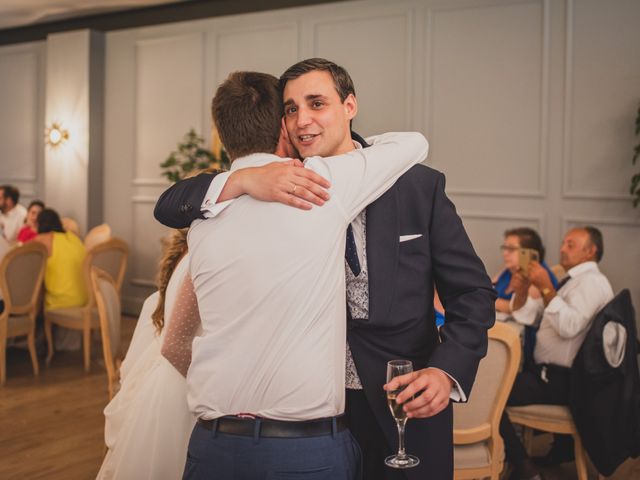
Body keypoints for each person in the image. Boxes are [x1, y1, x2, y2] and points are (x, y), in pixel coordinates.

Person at [155, 58, 495, 480]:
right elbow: (173, 202)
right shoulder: (270, 183)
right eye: (292, 109)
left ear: (350, 105)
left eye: (317, 103)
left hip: (400, 404)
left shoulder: (417, 186)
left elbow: (473, 294)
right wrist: (242, 180)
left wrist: (446, 371)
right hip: (315, 421)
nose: (303, 120)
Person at [500, 226, 614, 480]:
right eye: (563, 243)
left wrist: (545, 288)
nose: (562, 248)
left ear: (590, 251)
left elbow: (569, 326)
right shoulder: (575, 280)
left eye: (571, 244)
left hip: (564, 380)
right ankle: (560, 451)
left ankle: (523, 466)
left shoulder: (593, 283)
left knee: (490, 395)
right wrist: (522, 288)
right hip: (549, 375)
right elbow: (527, 315)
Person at [97, 229, 198, 480]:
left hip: (165, 377)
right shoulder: (201, 259)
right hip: (182, 388)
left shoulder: (190, 256)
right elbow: (174, 345)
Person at [33, 208, 87, 350]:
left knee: (34, 293)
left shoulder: (42, 240)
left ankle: (33, 338)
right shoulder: (74, 237)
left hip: (61, 300)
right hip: (84, 298)